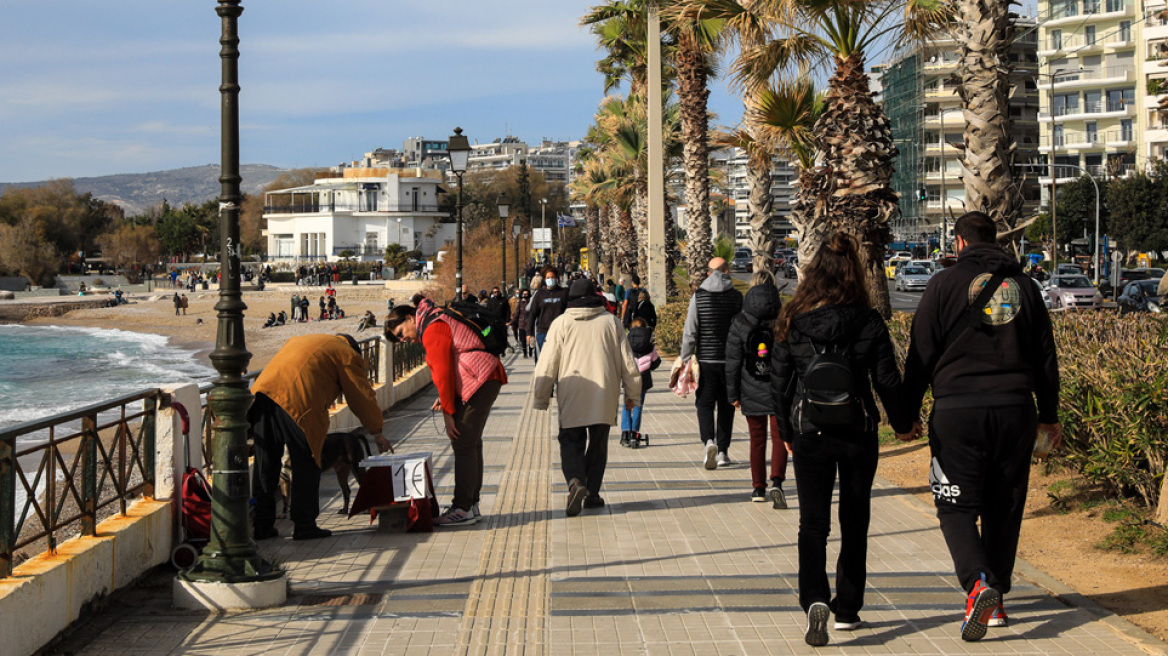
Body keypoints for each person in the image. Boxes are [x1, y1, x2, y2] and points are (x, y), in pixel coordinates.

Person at [902, 211, 1060, 642]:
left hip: (957, 412)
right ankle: (997, 601)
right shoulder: (1025, 287)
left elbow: (921, 353)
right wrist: (1050, 415)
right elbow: (1045, 357)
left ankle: (977, 585)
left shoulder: (943, 284)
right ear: (996, 241)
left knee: (954, 506)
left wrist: (905, 416)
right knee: (1003, 507)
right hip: (1015, 411)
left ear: (959, 243)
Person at [771, 233, 915, 647]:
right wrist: (904, 423)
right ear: (855, 274)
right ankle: (848, 609)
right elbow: (886, 380)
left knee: (812, 523)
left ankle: (814, 597)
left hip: (810, 432)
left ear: (813, 272)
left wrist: (786, 433)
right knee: (855, 520)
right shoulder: (868, 321)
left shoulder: (793, 319)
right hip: (857, 432)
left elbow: (780, 384)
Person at [250, 334, 389, 540]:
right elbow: (361, 396)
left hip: (262, 397)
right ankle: (304, 525)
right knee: (306, 465)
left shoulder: (300, 340)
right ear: (353, 348)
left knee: (265, 464)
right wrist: (377, 431)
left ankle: (262, 525)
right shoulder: (346, 353)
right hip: (298, 405)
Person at [384, 296, 507, 526]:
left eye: (401, 333)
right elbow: (446, 370)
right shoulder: (435, 318)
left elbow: (442, 371)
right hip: (483, 375)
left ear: (410, 318)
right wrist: (444, 398)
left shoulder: (432, 328)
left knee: (463, 442)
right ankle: (470, 504)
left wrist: (448, 414)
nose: (404, 340)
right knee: (470, 441)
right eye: (398, 340)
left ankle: (463, 507)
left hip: (480, 377)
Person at [532, 279, 641, 515]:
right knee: (598, 445)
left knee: (570, 441)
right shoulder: (611, 322)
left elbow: (547, 363)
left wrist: (541, 396)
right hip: (604, 394)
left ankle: (574, 482)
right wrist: (633, 395)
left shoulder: (561, 323)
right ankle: (592, 493)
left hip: (572, 393)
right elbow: (628, 363)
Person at [725, 269, 788, 506]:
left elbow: (732, 361)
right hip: (778, 386)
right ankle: (778, 482)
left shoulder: (740, 320)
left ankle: (758, 489)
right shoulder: (783, 316)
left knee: (757, 439)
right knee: (780, 436)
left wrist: (733, 394)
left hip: (750, 385)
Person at [679, 257, 743, 469]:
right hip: (730, 361)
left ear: (708, 273)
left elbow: (690, 332)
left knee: (704, 403)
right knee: (727, 406)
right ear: (727, 272)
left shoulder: (699, 296)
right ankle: (723, 451)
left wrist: (685, 360)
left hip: (705, 361)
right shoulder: (736, 297)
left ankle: (708, 442)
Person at [621, 317, 660, 447]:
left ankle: (625, 433)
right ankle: (634, 433)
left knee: (628, 404)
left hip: (630, 377)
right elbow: (656, 363)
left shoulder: (626, 343)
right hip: (643, 379)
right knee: (638, 405)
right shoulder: (649, 346)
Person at [525, 266, 570, 362]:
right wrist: (529, 333)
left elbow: (569, 312)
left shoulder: (563, 293)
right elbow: (532, 314)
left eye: (552, 277)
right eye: (548, 277)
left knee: (559, 360)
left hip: (560, 332)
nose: (550, 279)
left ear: (556, 278)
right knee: (542, 361)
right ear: (544, 279)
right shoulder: (539, 294)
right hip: (543, 332)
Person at [511, 289, 533, 358]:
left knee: (530, 339)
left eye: (526, 294)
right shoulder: (520, 303)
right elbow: (517, 313)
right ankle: (525, 353)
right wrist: (512, 321)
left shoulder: (531, 302)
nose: (525, 295)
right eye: (524, 294)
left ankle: (530, 350)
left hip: (529, 323)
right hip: (522, 323)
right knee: (523, 339)